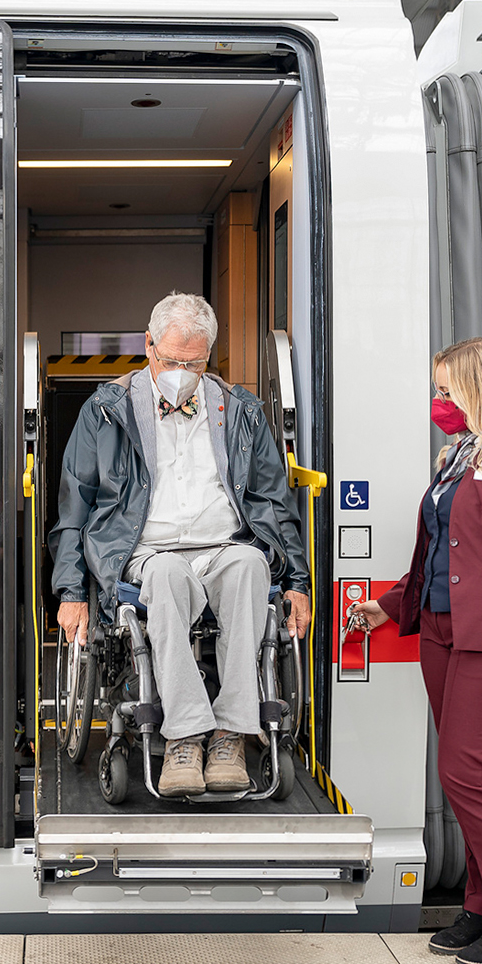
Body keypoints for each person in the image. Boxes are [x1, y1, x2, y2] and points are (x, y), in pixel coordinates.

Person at [351, 337, 482, 964]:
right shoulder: (457, 457)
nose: (438, 402)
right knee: (473, 775)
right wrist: (391, 605)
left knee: (465, 774)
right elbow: (438, 551)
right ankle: (480, 906)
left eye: (447, 391)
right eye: (436, 391)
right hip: (440, 634)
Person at [50, 292, 311, 797]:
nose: (180, 371)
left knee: (251, 566)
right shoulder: (107, 412)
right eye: (170, 360)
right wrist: (71, 591)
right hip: (145, 552)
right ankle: (186, 735)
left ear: (207, 358)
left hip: (222, 546)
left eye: (192, 363)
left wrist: (297, 581)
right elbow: (74, 506)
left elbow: (275, 501)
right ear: (148, 346)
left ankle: (231, 733)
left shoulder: (240, 411)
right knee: (167, 575)